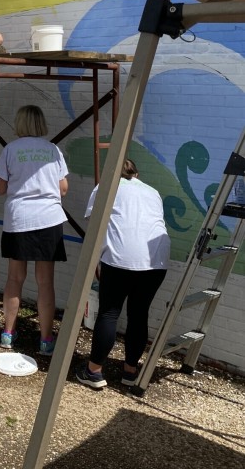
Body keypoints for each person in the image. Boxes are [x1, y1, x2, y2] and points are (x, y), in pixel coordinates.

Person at [76, 159, 170, 389]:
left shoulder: (105, 187)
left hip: (121, 257)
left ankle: (94, 371)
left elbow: (96, 224)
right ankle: (130, 371)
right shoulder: (152, 191)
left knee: (109, 313)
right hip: (156, 259)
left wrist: (96, 259)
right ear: (136, 174)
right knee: (139, 314)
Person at [0, 105, 68, 355]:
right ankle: (46, 339)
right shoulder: (53, 150)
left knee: (15, 278)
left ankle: (8, 334)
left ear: (20, 123)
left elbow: (1, 189)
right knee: (45, 282)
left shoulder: (10, 150)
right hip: (49, 219)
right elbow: (64, 188)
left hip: (19, 219)